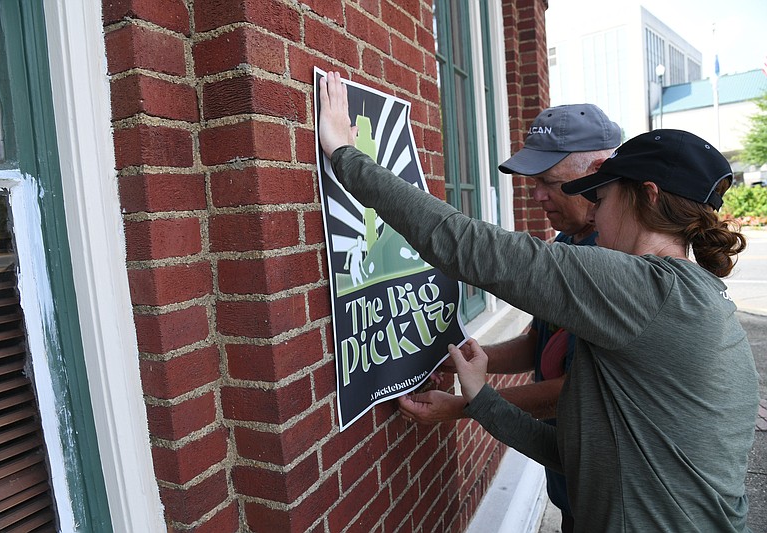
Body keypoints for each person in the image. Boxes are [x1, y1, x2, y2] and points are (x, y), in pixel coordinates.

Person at [318, 71, 759, 531]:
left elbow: (465, 245)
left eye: (601, 197)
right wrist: (481, 399)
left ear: (645, 198)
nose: (595, 211)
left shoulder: (646, 291)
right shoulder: (685, 295)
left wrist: (345, 155)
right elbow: (574, 456)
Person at [397, 102, 621, 533]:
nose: (536, 196)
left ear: (598, 170)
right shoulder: (568, 242)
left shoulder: (612, 262)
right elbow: (541, 342)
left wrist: (463, 407)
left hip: (610, 501)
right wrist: (463, 358)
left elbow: (571, 394)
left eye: (549, 183)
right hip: (570, 484)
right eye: (533, 183)